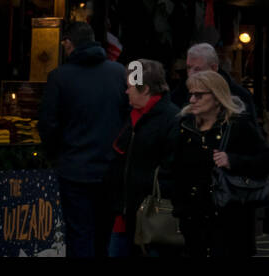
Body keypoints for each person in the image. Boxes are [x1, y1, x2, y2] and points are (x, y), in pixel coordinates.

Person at [37, 22, 128, 257]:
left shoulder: (59, 77)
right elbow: (130, 119)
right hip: (108, 170)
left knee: (79, 235)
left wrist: (58, 156)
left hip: (74, 170)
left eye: (64, 41)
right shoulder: (118, 73)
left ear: (69, 43)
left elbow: (48, 124)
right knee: (103, 236)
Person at [171, 70, 269, 257]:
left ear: (217, 97)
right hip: (191, 221)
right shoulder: (184, 126)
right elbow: (172, 167)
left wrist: (233, 161)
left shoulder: (238, 126)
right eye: (191, 94)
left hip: (230, 222)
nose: (192, 100)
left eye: (199, 95)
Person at [108, 59, 181, 257]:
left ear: (145, 89)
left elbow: (171, 169)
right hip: (123, 216)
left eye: (130, 87)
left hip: (150, 217)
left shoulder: (170, 119)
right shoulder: (132, 116)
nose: (126, 91)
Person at [170, 43, 256, 122]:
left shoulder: (239, 95)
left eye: (197, 69)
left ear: (214, 68)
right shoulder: (179, 93)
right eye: (188, 67)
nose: (191, 74)